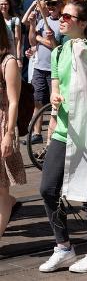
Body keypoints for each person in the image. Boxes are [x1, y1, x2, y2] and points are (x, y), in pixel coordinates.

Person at [38, 0, 87, 273]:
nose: (61, 19)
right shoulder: (58, 52)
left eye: (68, 16)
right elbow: (57, 87)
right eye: (61, 15)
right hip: (64, 130)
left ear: (83, 23)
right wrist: (54, 110)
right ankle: (63, 247)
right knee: (48, 189)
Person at [0, 12, 26, 240]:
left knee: (1, 188)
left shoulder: (8, 62)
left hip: (2, 124)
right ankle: (10, 204)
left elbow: (14, 101)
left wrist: (9, 134)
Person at [27, 0, 63, 145]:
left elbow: (55, 46)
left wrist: (40, 38)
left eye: (53, 4)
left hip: (54, 70)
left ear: (61, 5)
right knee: (37, 101)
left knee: (55, 103)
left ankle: (54, 135)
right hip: (40, 67)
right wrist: (33, 25)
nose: (50, 7)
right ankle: (37, 134)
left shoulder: (63, 22)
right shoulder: (43, 21)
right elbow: (31, 40)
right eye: (48, 4)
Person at [0, 0, 22, 68]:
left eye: (6, 4)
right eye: (1, 4)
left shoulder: (15, 20)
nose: (4, 6)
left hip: (11, 56)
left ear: (9, 5)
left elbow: (18, 40)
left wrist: (18, 58)